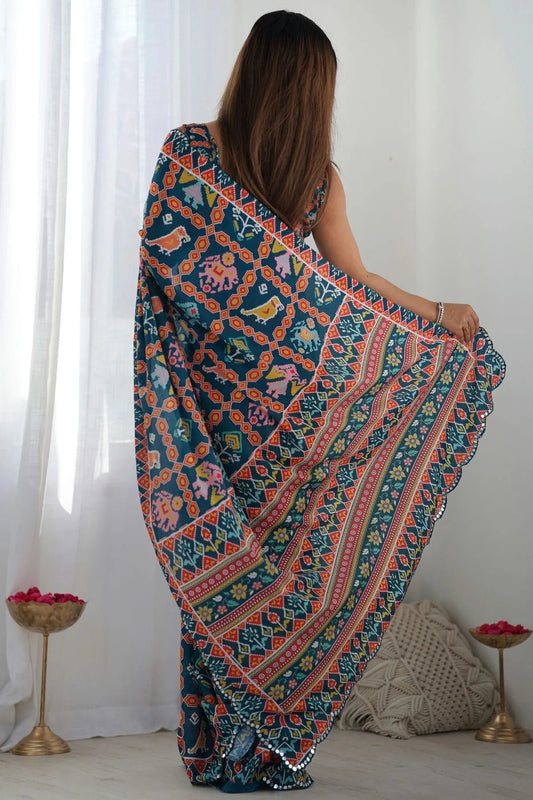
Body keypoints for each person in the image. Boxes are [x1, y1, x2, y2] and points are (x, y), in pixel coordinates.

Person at [134, 11, 504, 793]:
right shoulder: (298, 176)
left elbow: (172, 271)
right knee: (262, 575)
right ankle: (259, 751)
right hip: (289, 411)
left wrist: (440, 314)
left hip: (213, 408)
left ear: (249, 70)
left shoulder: (191, 155)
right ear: (313, 89)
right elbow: (350, 282)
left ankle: (217, 750)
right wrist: (432, 312)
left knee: (222, 569)